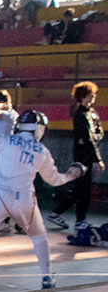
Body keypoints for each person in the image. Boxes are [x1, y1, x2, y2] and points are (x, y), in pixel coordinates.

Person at [0, 105, 86, 292]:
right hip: (25, 200)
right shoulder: (41, 151)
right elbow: (55, 180)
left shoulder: (6, 140)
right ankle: (47, 277)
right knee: (39, 237)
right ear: (40, 129)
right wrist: (73, 174)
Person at [47, 81, 104, 229]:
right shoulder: (80, 115)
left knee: (81, 190)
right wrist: (97, 158)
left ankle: (59, 214)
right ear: (83, 96)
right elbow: (86, 138)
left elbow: (98, 133)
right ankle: (79, 221)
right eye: (91, 95)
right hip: (82, 157)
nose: (93, 97)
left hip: (88, 155)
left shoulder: (92, 113)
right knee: (82, 190)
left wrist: (93, 139)